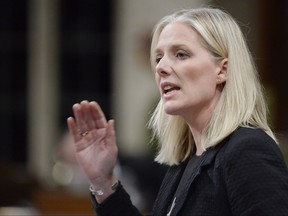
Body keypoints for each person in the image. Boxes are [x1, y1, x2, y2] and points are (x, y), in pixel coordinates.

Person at [67, 7, 288, 216]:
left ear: (222, 70)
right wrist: (103, 181)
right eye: (158, 57)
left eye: (181, 54)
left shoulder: (247, 150)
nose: (161, 67)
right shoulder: (186, 161)